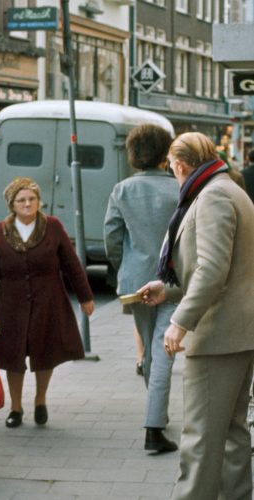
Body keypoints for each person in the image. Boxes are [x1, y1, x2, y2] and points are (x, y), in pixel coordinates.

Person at [139, 132, 254, 500]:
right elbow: (226, 266)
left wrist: (180, 321)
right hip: (239, 330)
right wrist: (167, 287)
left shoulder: (212, 196)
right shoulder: (228, 188)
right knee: (233, 435)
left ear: (181, 164)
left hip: (219, 332)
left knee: (201, 437)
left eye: (172, 167)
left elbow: (212, 269)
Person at [0, 177, 94, 428]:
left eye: (32, 199)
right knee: (13, 356)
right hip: (11, 305)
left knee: (45, 352)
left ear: (38, 201)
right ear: (12, 205)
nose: (27, 204)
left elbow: (71, 264)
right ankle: (15, 407)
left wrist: (85, 296)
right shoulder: (2, 230)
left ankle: (40, 400)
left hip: (48, 300)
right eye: (21, 200)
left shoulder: (53, 226)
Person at [103, 123, 179, 453]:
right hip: (172, 280)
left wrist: (125, 267)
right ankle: (154, 424)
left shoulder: (121, 190)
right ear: (166, 152)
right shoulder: (180, 189)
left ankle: (156, 412)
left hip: (136, 280)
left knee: (149, 347)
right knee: (163, 351)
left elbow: (112, 237)